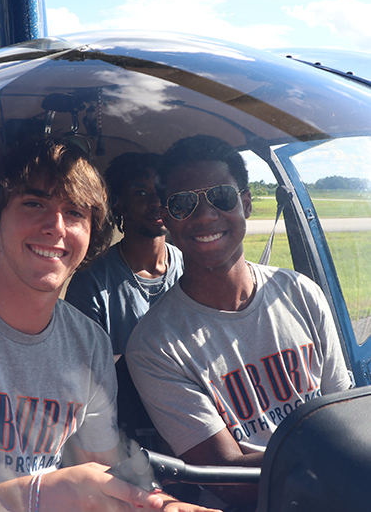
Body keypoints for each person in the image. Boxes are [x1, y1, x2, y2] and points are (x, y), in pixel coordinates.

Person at [0, 139, 219, 512]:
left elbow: (103, 470)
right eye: (34, 204)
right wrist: (34, 495)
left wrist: (162, 505)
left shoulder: (89, 344)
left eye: (76, 213)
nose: (56, 227)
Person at [126, 135, 352, 509]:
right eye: (184, 204)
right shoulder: (154, 345)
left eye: (221, 198)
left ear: (245, 204)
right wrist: (328, 455)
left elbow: (344, 414)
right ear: (166, 219)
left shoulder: (301, 293)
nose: (204, 215)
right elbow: (226, 476)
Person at [66, 152, 184, 356]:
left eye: (162, 191)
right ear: (119, 203)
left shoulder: (189, 265)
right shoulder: (91, 282)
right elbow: (85, 366)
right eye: (141, 193)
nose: (156, 202)